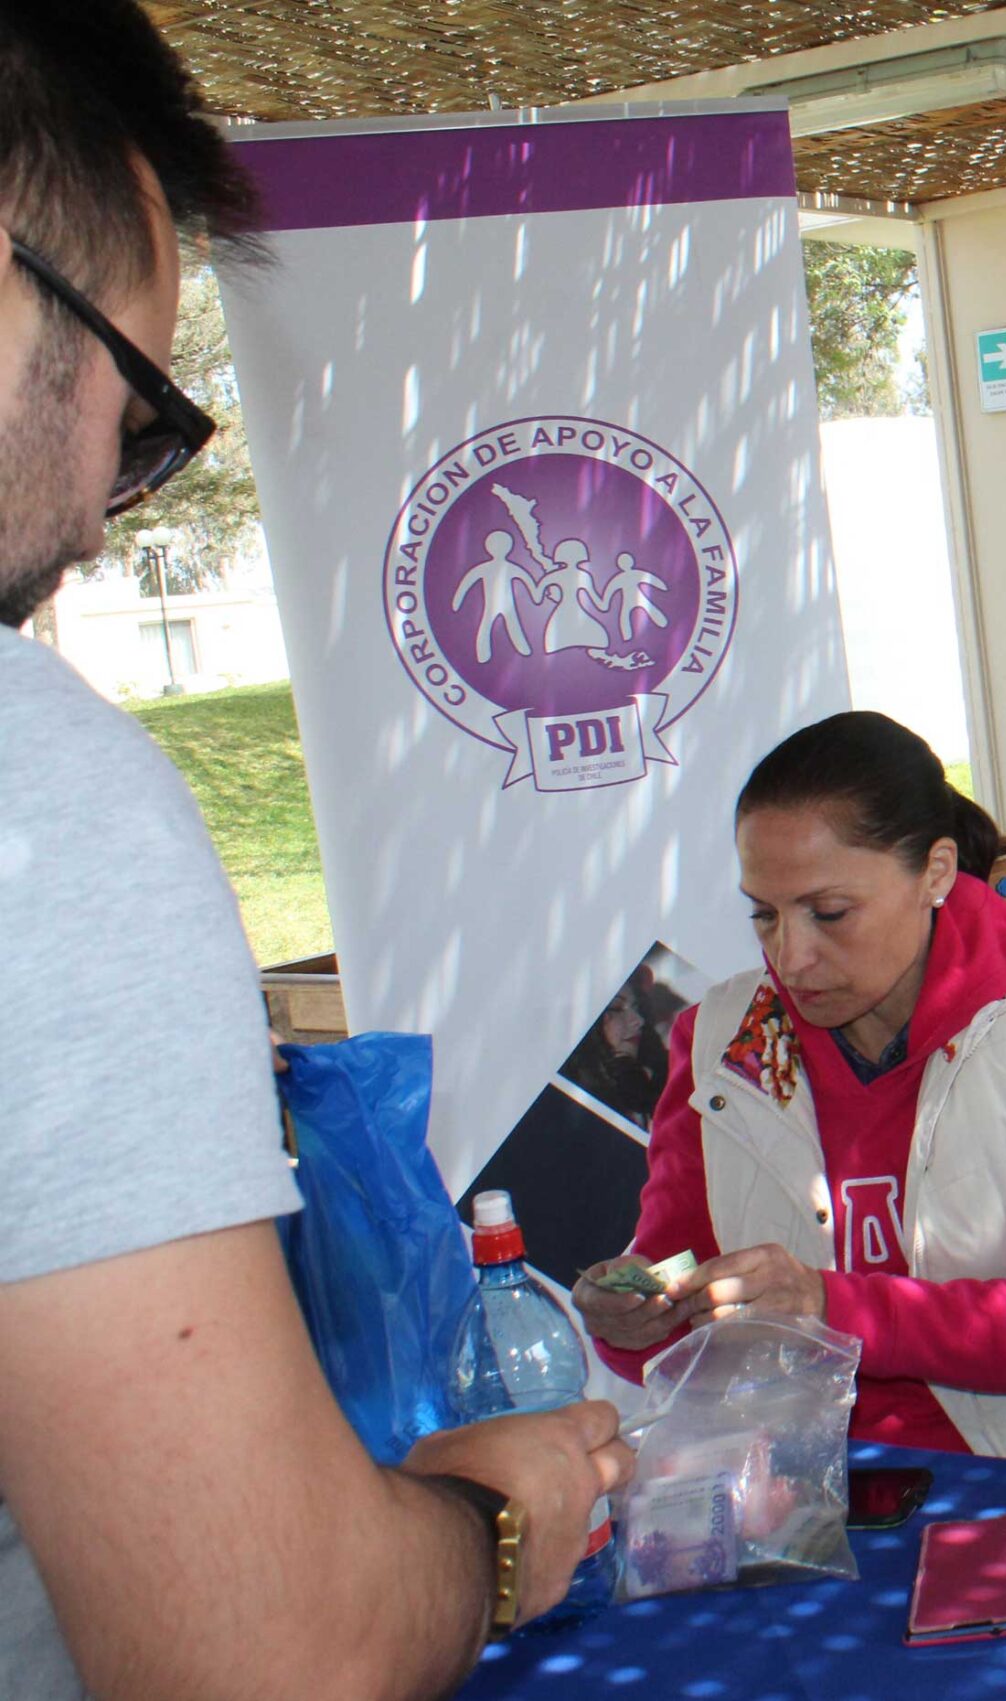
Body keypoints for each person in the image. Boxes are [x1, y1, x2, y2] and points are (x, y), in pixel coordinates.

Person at [0, 5, 632, 1696]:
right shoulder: (32, 804)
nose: (92, 518)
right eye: (136, 407)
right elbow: (266, 1655)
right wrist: (491, 1521)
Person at [574, 711, 1006, 1476]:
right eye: (764, 913)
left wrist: (828, 1305)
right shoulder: (720, 1041)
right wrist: (633, 1313)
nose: (791, 953)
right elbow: (679, 1282)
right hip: (809, 1493)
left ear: (937, 872)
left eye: (829, 912)